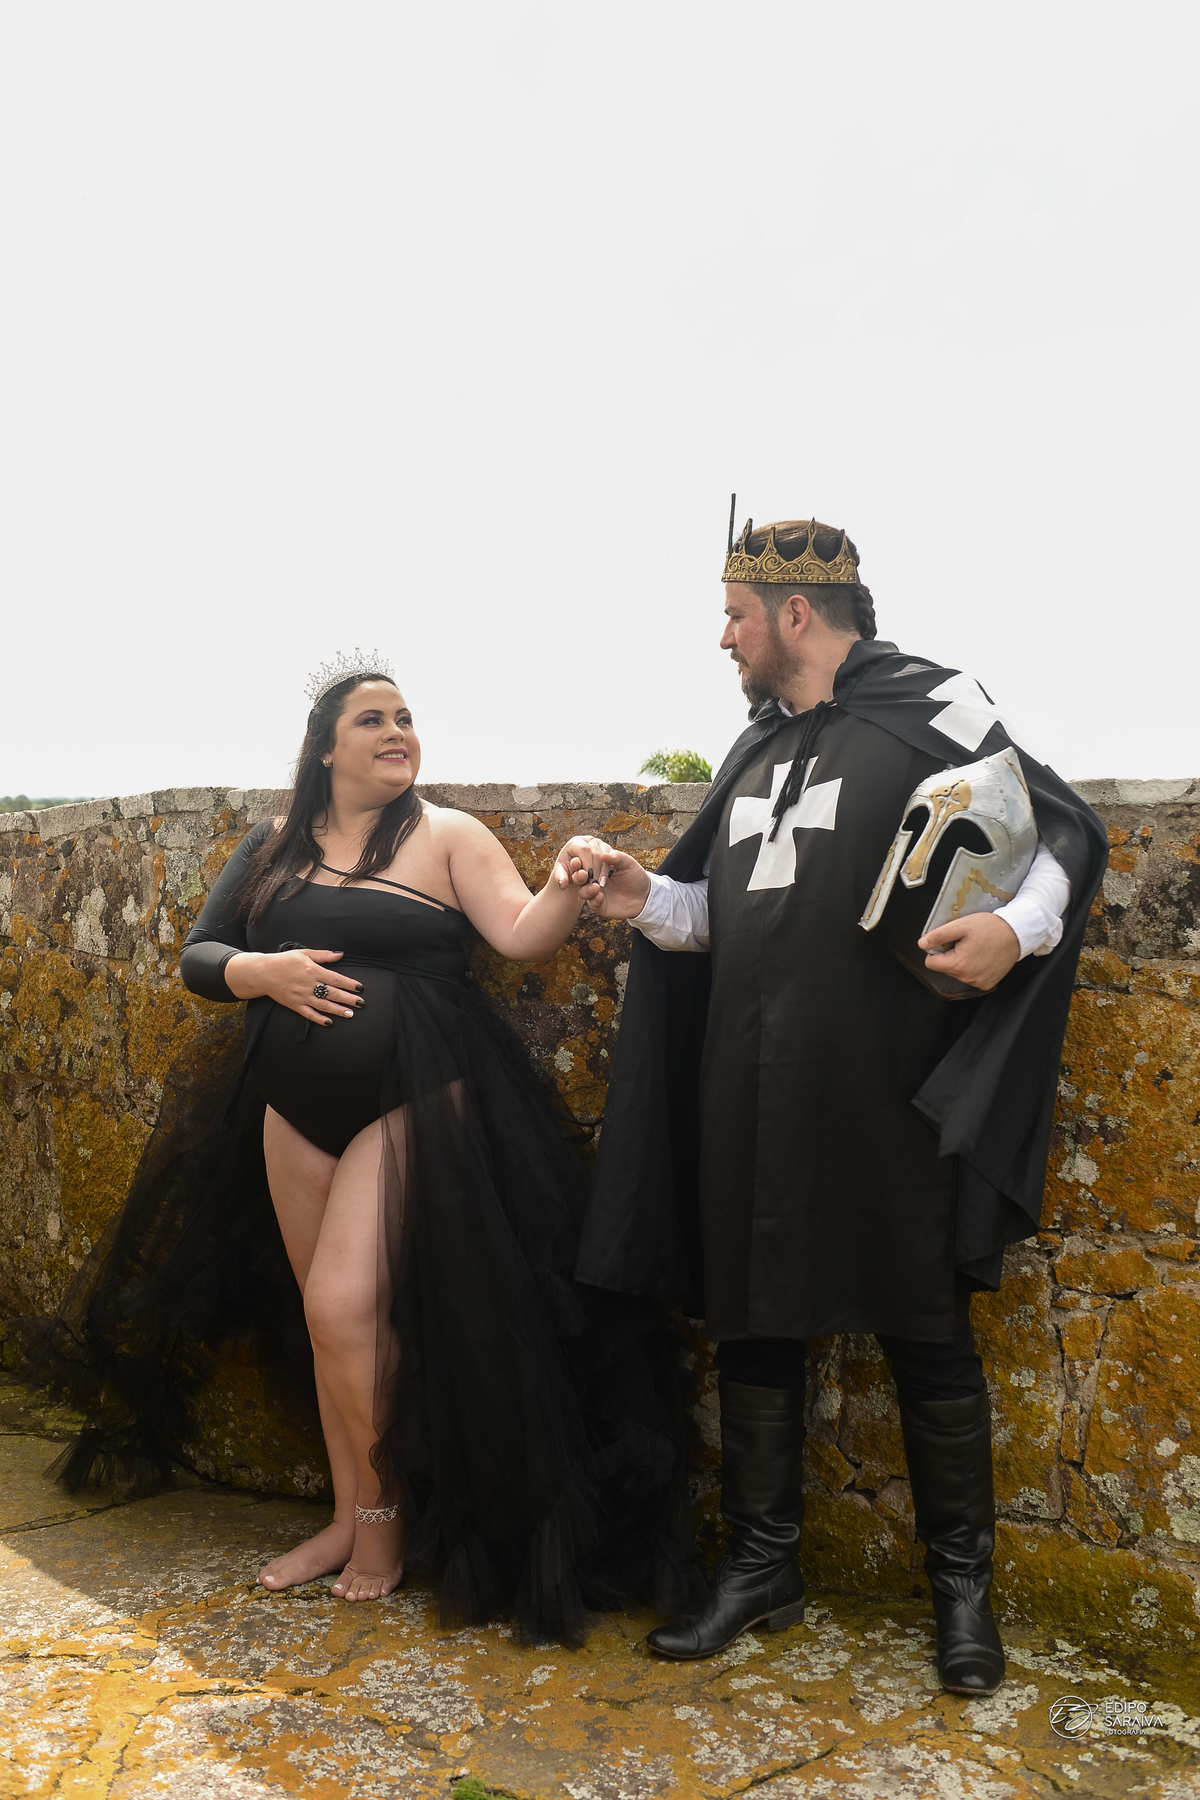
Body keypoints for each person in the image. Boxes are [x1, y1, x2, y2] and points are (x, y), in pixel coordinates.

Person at [39, 652, 697, 1644]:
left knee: (343, 1306)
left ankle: (385, 1527)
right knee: (326, 1325)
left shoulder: (447, 834)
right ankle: (347, 1516)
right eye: (373, 719)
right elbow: (200, 956)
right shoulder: (273, 843)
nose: (398, 733)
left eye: (406, 718)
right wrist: (263, 972)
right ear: (324, 747)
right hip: (289, 1108)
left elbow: (522, 935)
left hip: (414, 1094)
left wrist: (569, 877)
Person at [558, 514, 1108, 1694]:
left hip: (890, 1083)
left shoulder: (934, 705)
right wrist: (642, 893)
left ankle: (962, 1595)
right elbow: (719, 918)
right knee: (753, 1319)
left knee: (925, 1327)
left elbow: (1059, 828)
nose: (724, 639)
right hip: (748, 1083)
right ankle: (764, 1570)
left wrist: (1018, 929)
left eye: (735, 616)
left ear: (794, 613)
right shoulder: (757, 748)